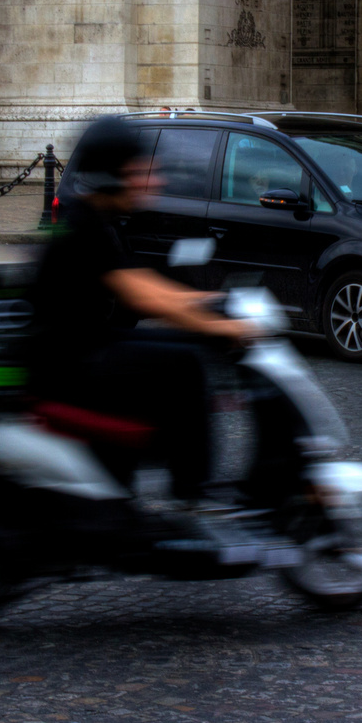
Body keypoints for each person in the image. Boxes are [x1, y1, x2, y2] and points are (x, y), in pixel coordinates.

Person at [28, 117, 259, 507]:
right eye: (137, 171)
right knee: (185, 364)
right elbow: (145, 299)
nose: (151, 181)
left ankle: (159, 473)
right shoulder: (82, 222)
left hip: (80, 345)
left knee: (185, 347)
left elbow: (139, 282)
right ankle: (191, 494)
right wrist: (224, 326)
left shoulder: (93, 215)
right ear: (111, 174)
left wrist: (203, 302)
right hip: (68, 360)